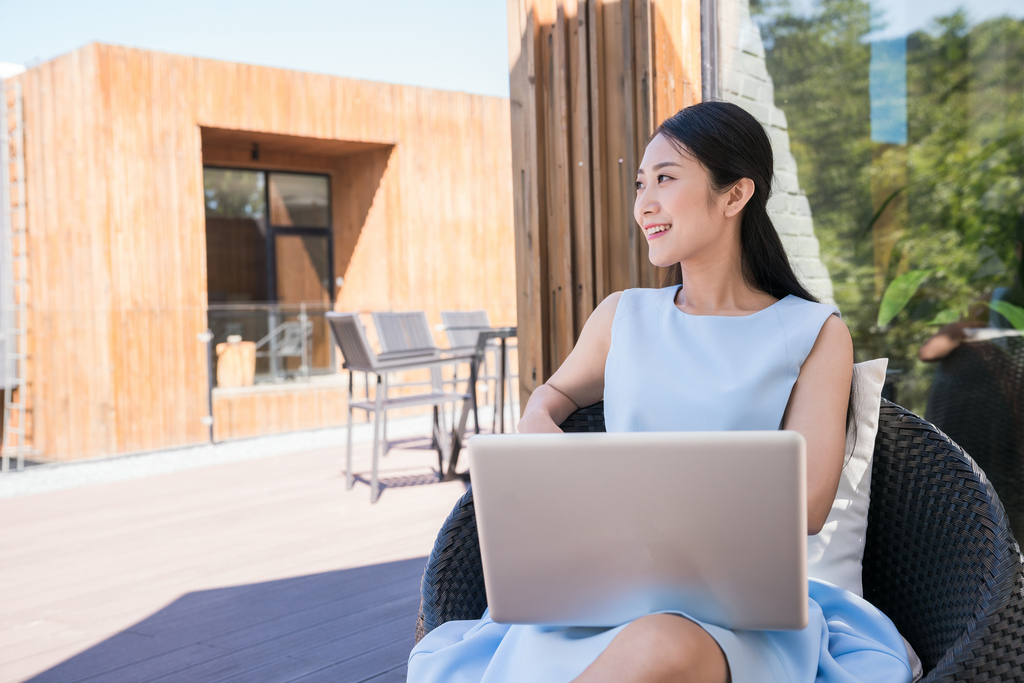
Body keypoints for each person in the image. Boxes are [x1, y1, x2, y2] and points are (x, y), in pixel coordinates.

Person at [408, 101, 913, 682]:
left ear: (734, 195)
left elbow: (806, 506)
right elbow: (554, 393)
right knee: (646, 644)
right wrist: (538, 421)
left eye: (666, 180)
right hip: (604, 591)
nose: (643, 203)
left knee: (663, 646)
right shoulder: (623, 316)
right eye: (641, 182)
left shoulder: (814, 331)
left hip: (738, 610)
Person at [919, 217, 1024, 362]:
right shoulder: (995, 303)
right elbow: (929, 352)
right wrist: (958, 331)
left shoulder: (993, 302)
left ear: (1019, 250)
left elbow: (929, 352)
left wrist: (956, 331)